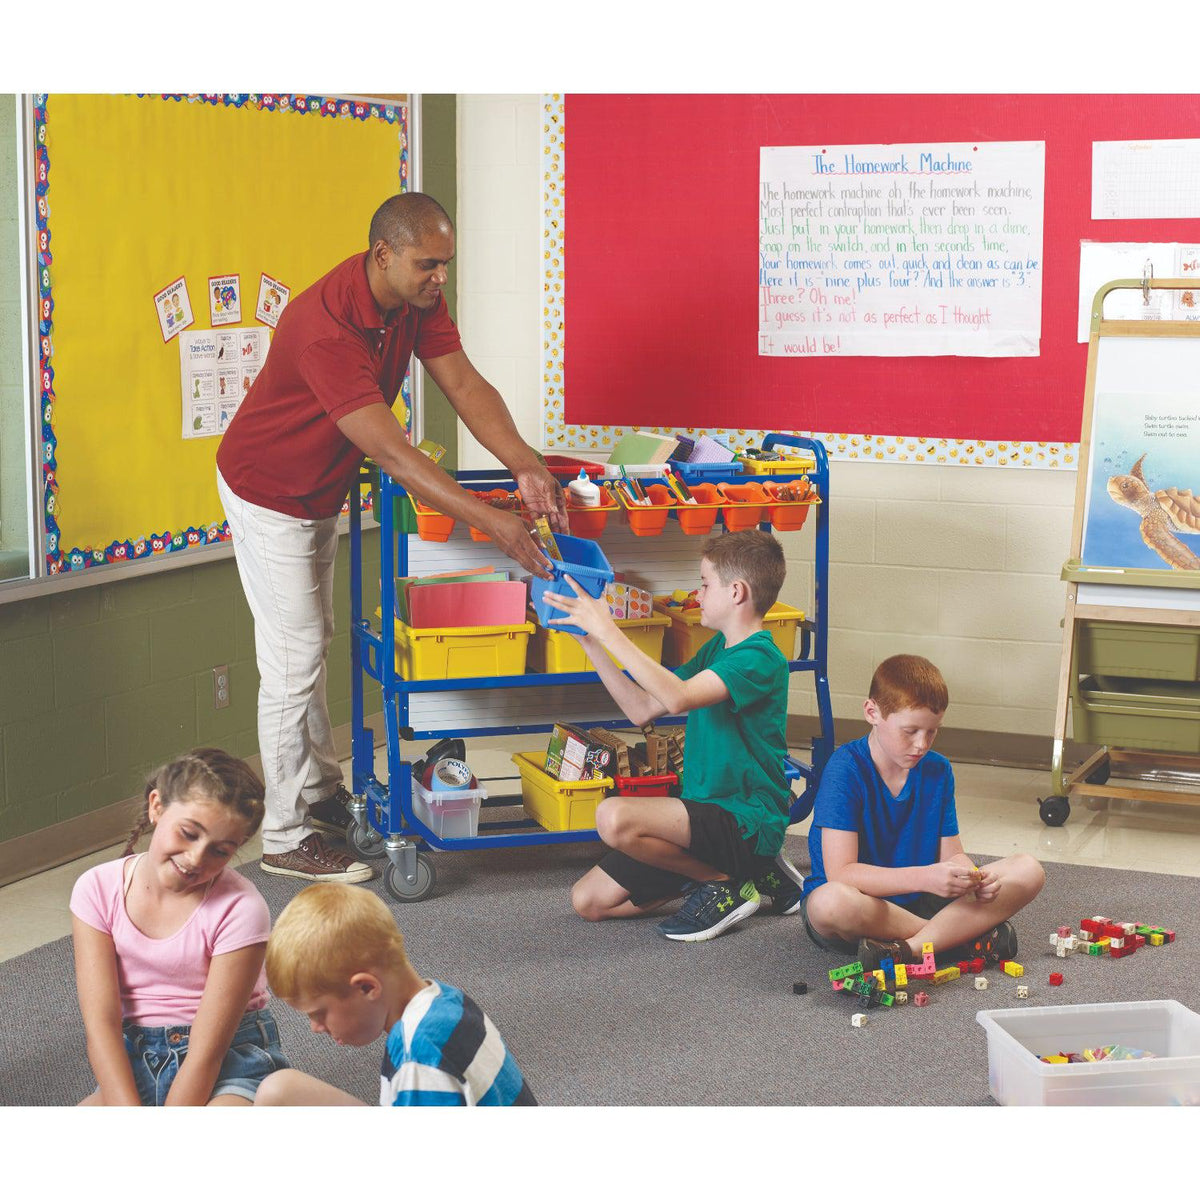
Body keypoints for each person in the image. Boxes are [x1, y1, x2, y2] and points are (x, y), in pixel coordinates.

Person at [215, 192, 568, 884]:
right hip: (269, 491)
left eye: (446, 265)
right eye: (428, 265)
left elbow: (463, 383)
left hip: (316, 490)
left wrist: (524, 462)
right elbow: (397, 455)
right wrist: (491, 520)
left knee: (310, 639)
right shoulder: (324, 326)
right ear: (383, 255)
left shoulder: (415, 304)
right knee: (293, 659)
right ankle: (283, 836)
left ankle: (318, 794)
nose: (440, 279)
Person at [544, 529, 805, 943]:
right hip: (701, 811)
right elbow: (642, 708)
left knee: (613, 817)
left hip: (744, 818)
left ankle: (726, 883)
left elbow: (679, 698)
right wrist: (593, 643)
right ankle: (752, 873)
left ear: (736, 592)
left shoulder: (761, 658)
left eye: (704, 583)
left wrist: (611, 630)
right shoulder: (717, 649)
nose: (697, 594)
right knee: (589, 902)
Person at [69, 748, 288, 1106]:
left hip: (227, 1060)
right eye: (188, 833)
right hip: (132, 1055)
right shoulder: (95, 889)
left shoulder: (242, 909)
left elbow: (207, 1052)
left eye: (220, 851)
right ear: (156, 806)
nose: (195, 858)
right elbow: (102, 1025)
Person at [799, 654, 1046, 970]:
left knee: (1028, 869)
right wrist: (926, 877)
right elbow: (842, 873)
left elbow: (952, 855)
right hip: (864, 905)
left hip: (922, 898)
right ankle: (958, 938)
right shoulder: (844, 769)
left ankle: (910, 948)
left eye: (932, 732)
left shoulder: (938, 770)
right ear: (872, 712)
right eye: (910, 730)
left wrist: (971, 878)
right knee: (830, 903)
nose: (921, 744)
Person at [254, 884, 536, 1106]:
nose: (315, 1028)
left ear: (367, 987)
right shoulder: (445, 999)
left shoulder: (419, 1056)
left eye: (318, 1013)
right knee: (279, 1089)